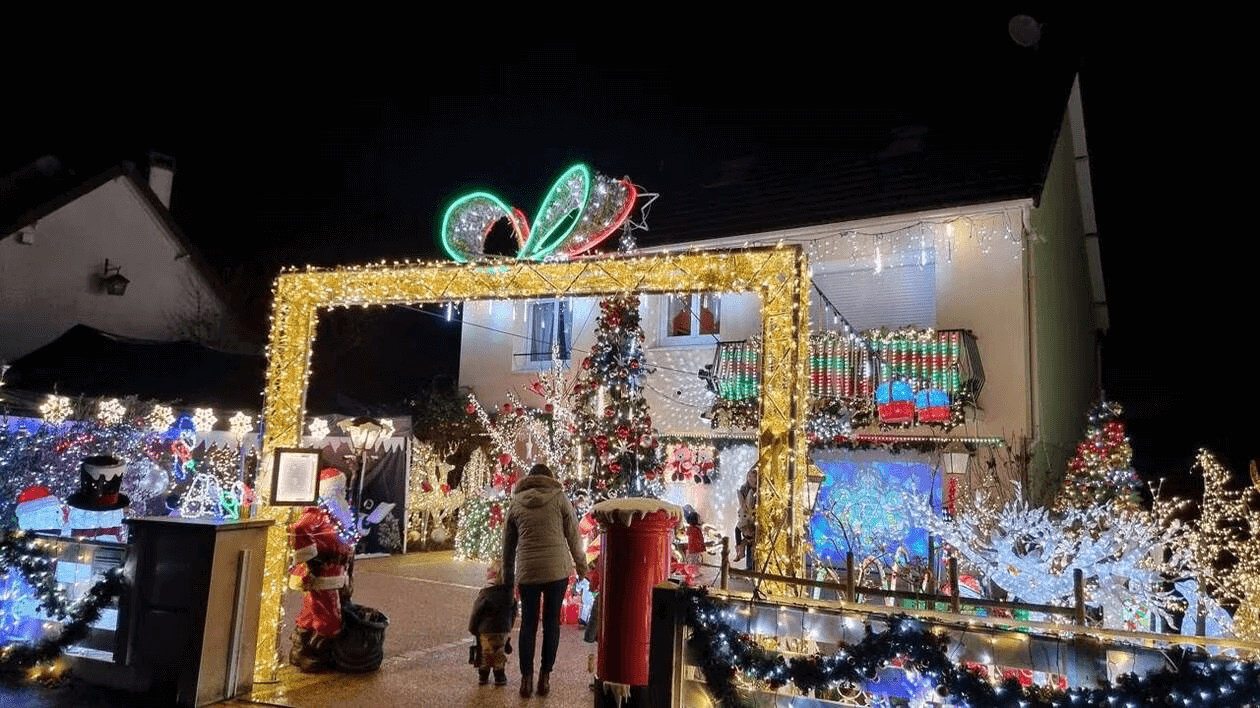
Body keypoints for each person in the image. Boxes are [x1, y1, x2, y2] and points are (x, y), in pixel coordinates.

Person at [502, 463, 588, 698]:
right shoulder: (559, 497)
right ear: (550, 478)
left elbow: (507, 547)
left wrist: (507, 579)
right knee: (551, 623)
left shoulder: (516, 502)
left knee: (528, 624)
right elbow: (573, 533)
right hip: (556, 572)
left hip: (528, 571)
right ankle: (545, 678)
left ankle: (526, 681)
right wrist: (582, 567)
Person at [288, 468, 357, 672]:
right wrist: (312, 560)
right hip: (321, 573)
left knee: (311, 613)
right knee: (329, 617)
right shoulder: (317, 514)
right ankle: (317, 655)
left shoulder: (336, 513)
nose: (342, 493)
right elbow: (298, 529)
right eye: (338, 489)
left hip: (333, 573)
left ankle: (302, 650)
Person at [468, 560, 518, 687]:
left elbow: (476, 612)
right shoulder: (509, 594)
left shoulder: (485, 593)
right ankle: (499, 675)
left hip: (486, 630)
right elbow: (513, 611)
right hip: (503, 630)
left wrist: (473, 628)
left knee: (485, 653)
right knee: (499, 652)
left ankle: (483, 675)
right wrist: (509, 626)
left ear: (492, 575)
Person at [733, 467, 758, 571]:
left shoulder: (758, 489)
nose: (751, 479)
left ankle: (751, 566)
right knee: (740, 531)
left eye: (754, 477)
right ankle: (739, 549)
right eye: (749, 476)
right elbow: (742, 502)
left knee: (752, 540)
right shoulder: (744, 488)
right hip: (745, 515)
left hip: (754, 517)